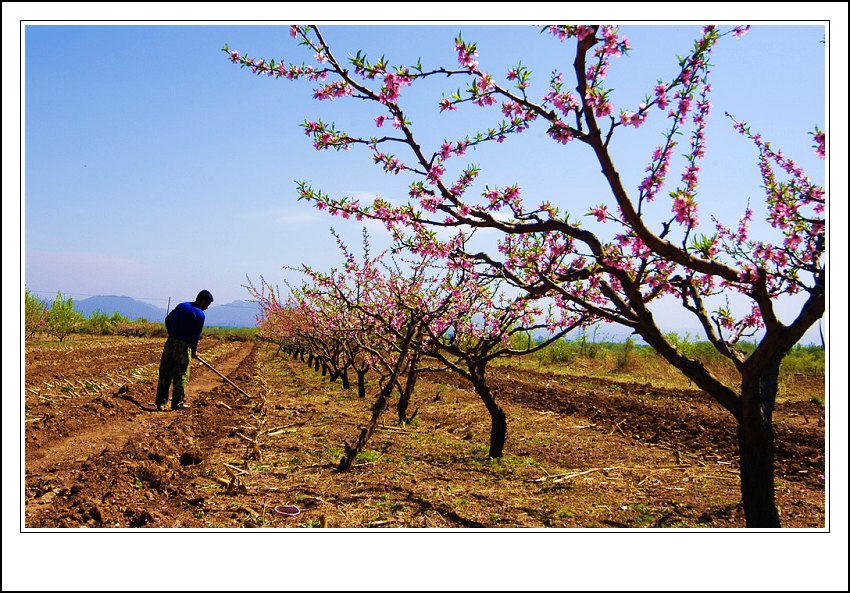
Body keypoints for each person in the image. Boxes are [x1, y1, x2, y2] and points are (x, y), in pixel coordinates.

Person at [155, 290, 213, 411]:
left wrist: (172, 334)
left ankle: (161, 403)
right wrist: (194, 351)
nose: (207, 307)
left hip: (170, 343)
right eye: (207, 304)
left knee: (165, 372)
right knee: (181, 374)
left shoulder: (182, 306)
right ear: (202, 301)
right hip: (184, 346)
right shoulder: (200, 315)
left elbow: (168, 320)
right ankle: (177, 403)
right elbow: (196, 336)